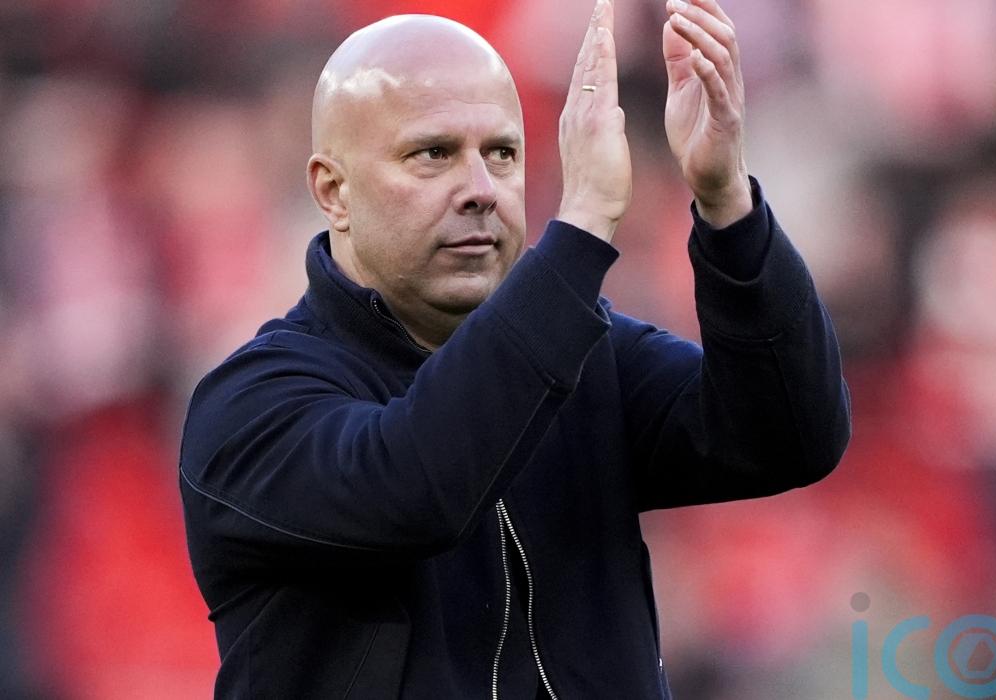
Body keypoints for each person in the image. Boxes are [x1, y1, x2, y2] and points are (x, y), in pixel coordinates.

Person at [179, 0, 850, 696]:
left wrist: (726, 199)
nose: (480, 190)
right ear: (334, 191)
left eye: (501, 154)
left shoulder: (583, 355)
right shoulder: (248, 407)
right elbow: (418, 486)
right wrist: (583, 224)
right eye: (433, 154)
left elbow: (790, 436)